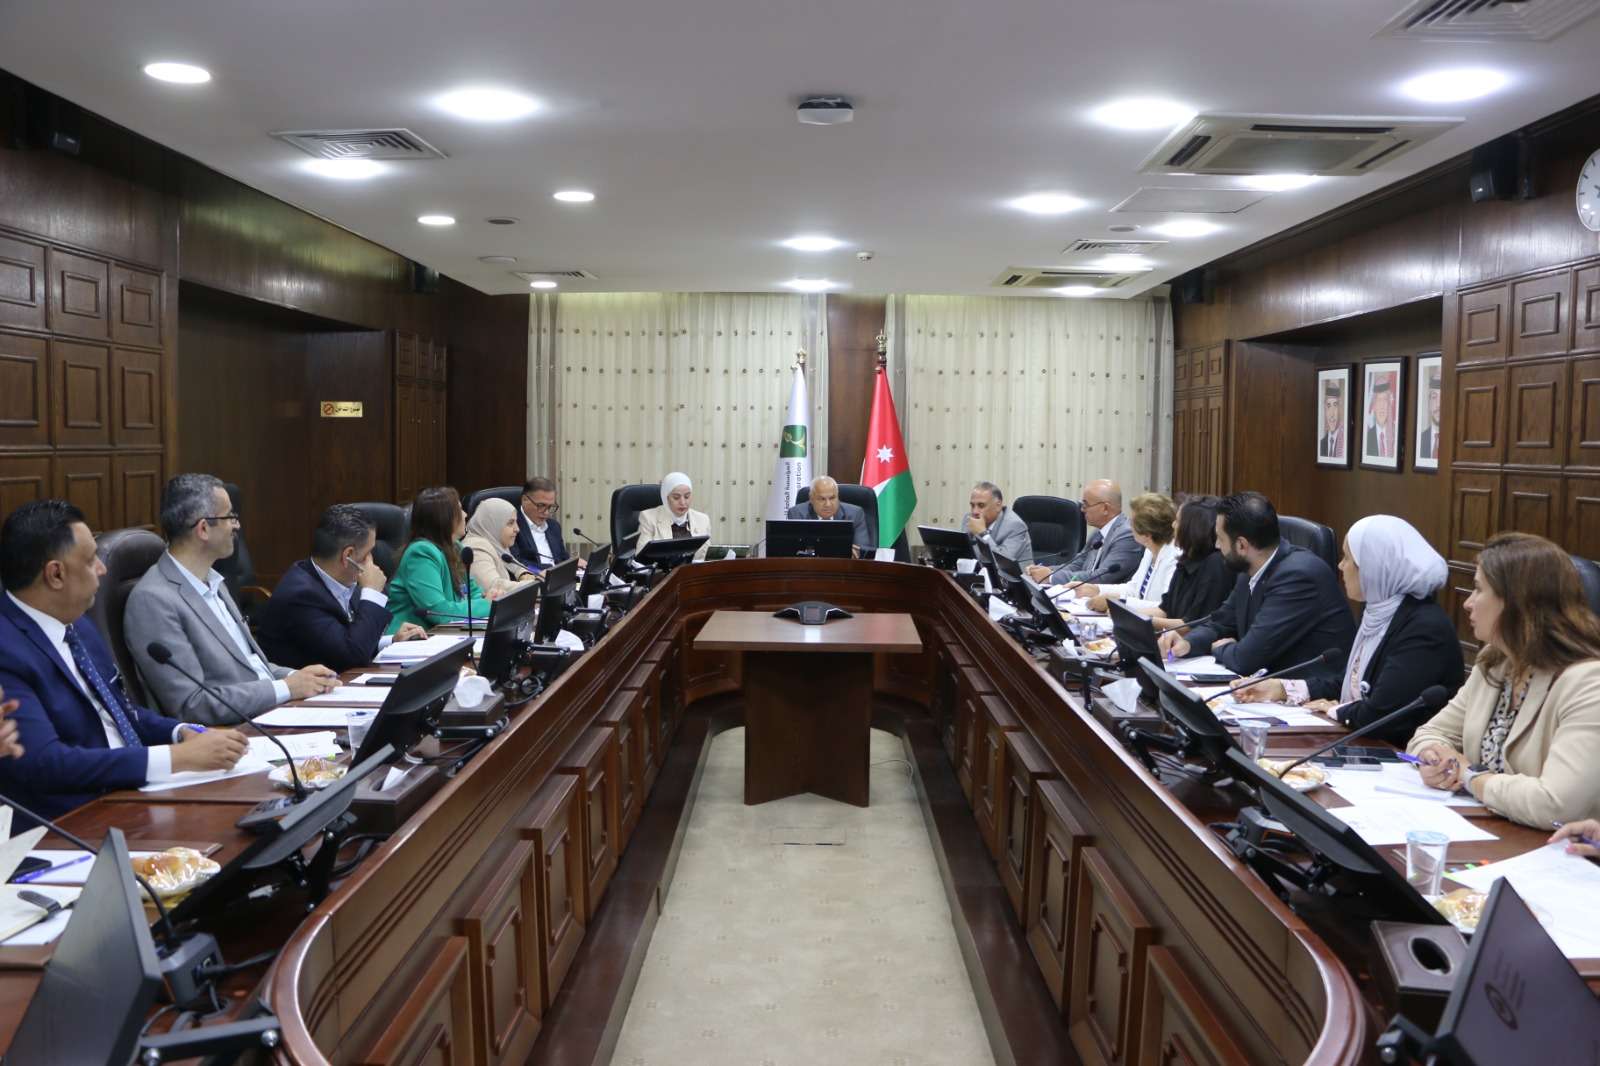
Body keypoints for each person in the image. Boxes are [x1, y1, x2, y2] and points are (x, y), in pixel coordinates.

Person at [0, 500, 248, 823]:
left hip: (134, 792)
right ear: (56, 574)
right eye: (91, 560)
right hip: (75, 818)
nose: (102, 569)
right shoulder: (8, 650)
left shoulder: (78, 625)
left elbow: (123, 713)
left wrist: (183, 732)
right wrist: (175, 758)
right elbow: (46, 763)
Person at [1408, 533, 1600, 828]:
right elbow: (1431, 732)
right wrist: (1433, 758)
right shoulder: (1496, 660)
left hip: (1552, 848)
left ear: (1517, 602)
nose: (1467, 603)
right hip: (1484, 829)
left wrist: (1470, 776)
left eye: (1478, 589)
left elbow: (1555, 804)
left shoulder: (1588, 684)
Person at [126, 474, 338, 724]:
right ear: (203, 529)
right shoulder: (153, 600)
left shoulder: (213, 580)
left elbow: (249, 666)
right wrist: (287, 688)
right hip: (235, 732)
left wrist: (299, 678)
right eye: (230, 517)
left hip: (268, 714)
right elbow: (192, 704)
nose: (237, 525)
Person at [1235, 515, 1464, 743]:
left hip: (1399, 753)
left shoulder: (1423, 628)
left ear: (1373, 567)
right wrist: (1282, 688)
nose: (1340, 566)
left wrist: (1335, 710)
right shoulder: (1378, 610)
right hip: (1361, 743)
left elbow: (1380, 714)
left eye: (1347, 558)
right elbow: (1350, 684)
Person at [1157, 491, 1354, 683]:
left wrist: (1220, 649)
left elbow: (1245, 659)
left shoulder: (1298, 577)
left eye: (1220, 538)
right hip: (1266, 686)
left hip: (1311, 694)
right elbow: (1221, 622)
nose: (1216, 545)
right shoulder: (1250, 569)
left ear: (1242, 545)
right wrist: (1188, 643)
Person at [258, 505, 428, 672]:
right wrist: (372, 593)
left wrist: (390, 642)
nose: (372, 560)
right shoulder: (300, 596)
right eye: (368, 553)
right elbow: (351, 656)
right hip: (307, 688)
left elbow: (347, 640)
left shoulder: (342, 580)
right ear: (348, 555)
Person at [386, 486, 497, 633]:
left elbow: (472, 592)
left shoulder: (456, 548)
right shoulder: (421, 553)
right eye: (460, 510)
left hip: (447, 633)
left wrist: (488, 598)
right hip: (412, 637)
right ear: (444, 518)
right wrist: (487, 605)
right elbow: (438, 612)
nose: (465, 515)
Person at [1026, 479, 1142, 587]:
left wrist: (1051, 577)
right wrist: (1046, 571)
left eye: (1086, 505)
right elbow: (1077, 564)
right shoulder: (1099, 531)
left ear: (1105, 509)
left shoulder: (1127, 535)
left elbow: (1102, 577)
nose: (1082, 509)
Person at [1145, 495, 1233, 633]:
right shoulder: (1186, 559)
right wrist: (1126, 612)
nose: (1173, 525)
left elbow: (1191, 626)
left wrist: (1144, 620)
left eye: (1178, 521)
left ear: (1193, 527)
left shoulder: (1216, 564)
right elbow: (1164, 610)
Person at [1080, 493, 1179, 613]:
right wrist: (1097, 590)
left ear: (1147, 534)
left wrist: (1119, 602)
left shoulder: (1175, 558)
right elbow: (1133, 589)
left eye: (1132, 521)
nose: (1129, 525)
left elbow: (1164, 608)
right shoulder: (1150, 550)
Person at [463, 497, 536, 597]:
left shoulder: (495, 541)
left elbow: (515, 566)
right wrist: (537, 585)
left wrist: (523, 574)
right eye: (510, 523)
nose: (517, 529)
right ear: (492, 524)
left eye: (516, 522)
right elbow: (494, 588)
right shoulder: (475, 549)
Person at [786, 475, 871, 557]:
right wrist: (840, 549)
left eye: (832, 498)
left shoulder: (855, 514)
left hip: (844, 565)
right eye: (822, 499)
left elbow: (862, 550)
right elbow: (793, 550)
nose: (828, 504)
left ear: (838, 497)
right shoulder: (797, 513)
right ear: (811, 499)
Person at [637, 472, 713, 561]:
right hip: (662, 569)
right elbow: (641, 557)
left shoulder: (703, 520)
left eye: (687, 497)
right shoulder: (648, 518)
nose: (683, 502)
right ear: (666, 497)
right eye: (676, 497)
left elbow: (707, 557)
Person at [510, 476, 569, 573]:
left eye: (550, 507)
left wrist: (573, 562)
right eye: (541, 505)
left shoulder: (554, 526)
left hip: (558, 578)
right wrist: (551, 569)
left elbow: (562, 558)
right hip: (531, 579)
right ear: (525, 500)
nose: (546, 513)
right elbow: (515, 562)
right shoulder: (511, 526)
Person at [966, 482, 1033, 566]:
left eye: (981, 505)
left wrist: (982, 534)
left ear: (998, 506)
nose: (975, 511)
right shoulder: (969, 519)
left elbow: (1003, 564)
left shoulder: (1015, 526)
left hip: (1011, 574)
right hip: (980, 572)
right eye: (972, 505)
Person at [1366, 377, 1397, 459]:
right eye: (1379, 400)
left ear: (1389, 404)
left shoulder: (1396, 434)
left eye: (1385, 400)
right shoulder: (1367, 438)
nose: (1382, 406)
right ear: (1374, 406)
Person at [1418, 368, 1440, 462]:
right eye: (1434, 397)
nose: (1438, 404)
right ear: (1429, 402)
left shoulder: (1456, 441)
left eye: (1443, 398)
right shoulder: (1420, 440)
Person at [1319, 381, 1346, 460]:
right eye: (1328, 406)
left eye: (1335, 405)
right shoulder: (1321, 444)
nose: (1332, 414)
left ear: (1340, 408)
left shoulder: (1344, 442)